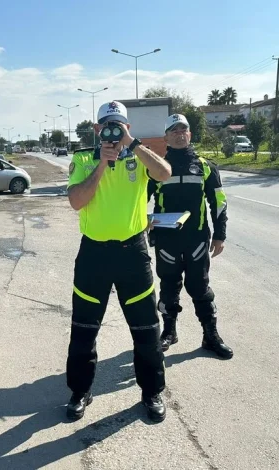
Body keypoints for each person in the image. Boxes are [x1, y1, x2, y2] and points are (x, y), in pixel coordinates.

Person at [65, 100, 172, 423]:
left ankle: (151, 392)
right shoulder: (83, 158)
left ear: (127, 127)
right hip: (94, 254)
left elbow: (164, 173)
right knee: (84, 329)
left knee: (146, 329)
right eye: (107, 125)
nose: (112, 131)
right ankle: (80, 391)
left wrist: (132, 144)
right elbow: (76, 201)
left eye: (119, 125)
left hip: (132, 254)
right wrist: (101, 164)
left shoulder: (139, 156)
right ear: (97, 129)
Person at [146, 114, 233, 359]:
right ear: (166, 138)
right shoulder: (157, 167)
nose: (179, 134)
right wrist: (143, 222)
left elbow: (218, 203)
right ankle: (169, 332)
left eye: (183, 129)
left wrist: (220, 235)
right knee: (168, 287)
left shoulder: (205, 166)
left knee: (200, 287)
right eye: (173, 130)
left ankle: (210, 335)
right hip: (167, 240)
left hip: (197, 239)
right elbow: (139, 200)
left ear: (190, 134)